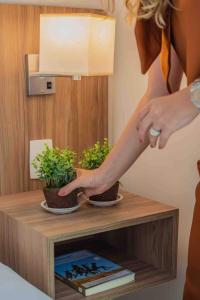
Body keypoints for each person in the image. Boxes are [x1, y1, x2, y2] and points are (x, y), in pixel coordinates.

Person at [59, 1, 200, 299]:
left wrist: (195, 96)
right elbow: (158, 94)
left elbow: (186, 97)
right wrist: (104, 174)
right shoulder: (164, 6)